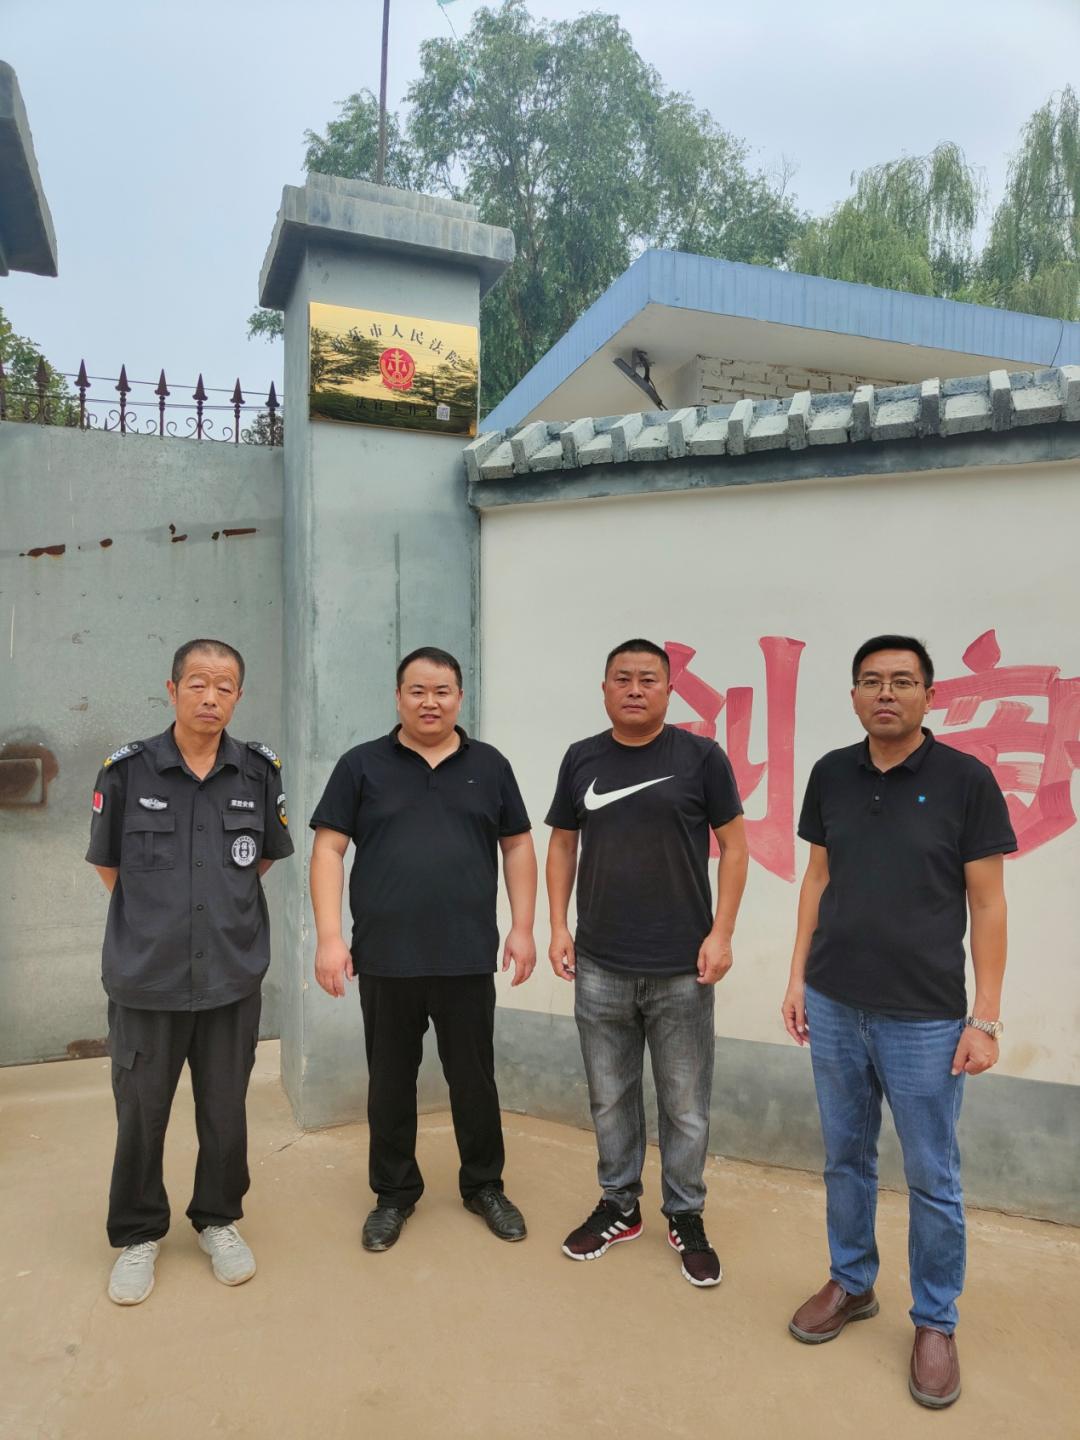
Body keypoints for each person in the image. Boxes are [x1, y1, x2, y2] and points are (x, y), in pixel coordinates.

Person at [781, 634, 1016, 1409]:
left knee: (932, 1176)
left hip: (925, 1019)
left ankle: (935, 1321)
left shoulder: (965, 781)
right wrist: (797, 978)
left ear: (929, 696)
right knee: (844, 1158)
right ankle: (852, 1282)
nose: (886, 693)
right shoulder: (830, 774)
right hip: (834, 1004)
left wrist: (985, 1019)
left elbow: (988, 903)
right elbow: (817, 880)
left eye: (903, 681)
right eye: (872, 681)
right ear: (853, 695)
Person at [86, 638, 293, 1305]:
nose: (211, 696)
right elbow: (108, 866)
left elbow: (260, 859)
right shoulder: (126, 772)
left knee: (225, 1112)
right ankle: (138, 1233)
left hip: (230, 976)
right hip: (147, 978)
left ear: (238, 696)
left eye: (224, 686)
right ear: (172, 689)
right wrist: (159, 920)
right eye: (198, 683)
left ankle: (217, 1220)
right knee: (141, 1115)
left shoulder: (258, 772)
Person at [309, 646, 537, 1251]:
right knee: (389, 1081)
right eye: (417, 690)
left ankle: (484, 1185)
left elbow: (517, 844)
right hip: (386, 957)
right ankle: (393, 1194)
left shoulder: (489, 766)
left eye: (441, 691)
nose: (429, 702)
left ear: (459, 697)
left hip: (467, 954)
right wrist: (329, 938)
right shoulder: (361, 765)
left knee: (474, 1079)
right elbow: (329, 848)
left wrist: (522, 927)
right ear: (397, 697)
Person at [546, 638, 748, 1287]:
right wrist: (558, 925)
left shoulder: (700, 758)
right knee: (610, 1098)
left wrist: (722, 934)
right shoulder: (582, 758)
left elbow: (735, 847)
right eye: (623, 679)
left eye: (648, 679)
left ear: (668, 690)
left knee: (685, 1105)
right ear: (605, 688)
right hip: (600, 962)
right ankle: (619, 1205)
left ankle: (685, 1213)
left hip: (682, 966)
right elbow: (562, 844)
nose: (635, 689)